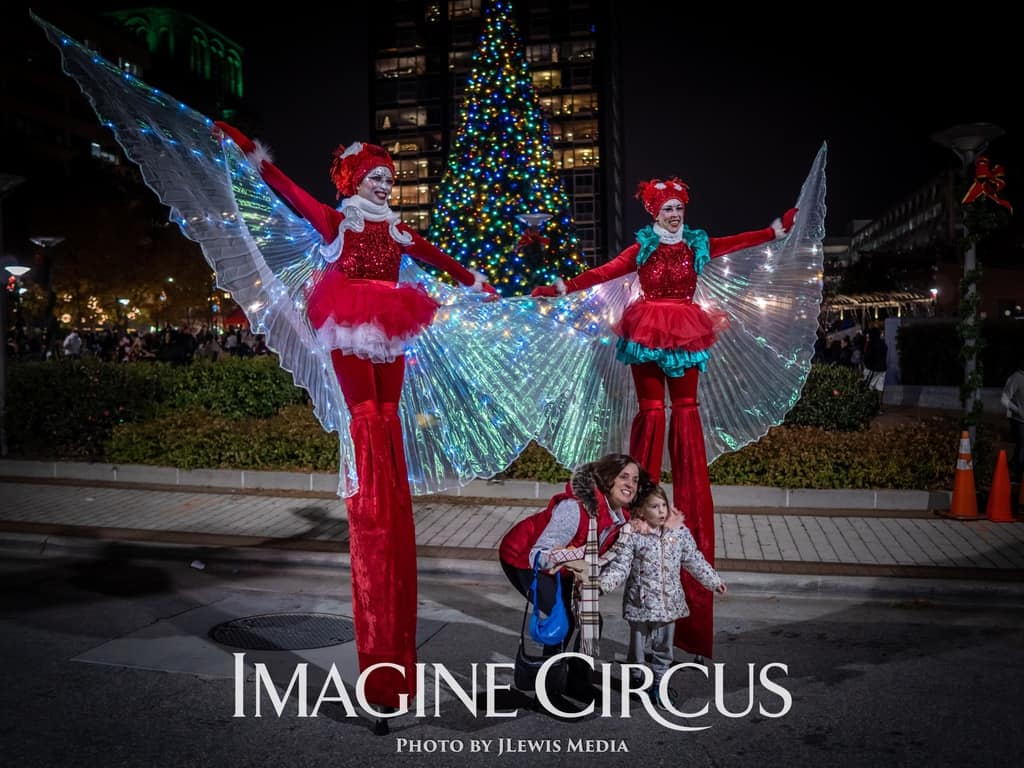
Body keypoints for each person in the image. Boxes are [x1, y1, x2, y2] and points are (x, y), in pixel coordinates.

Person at [214, 121, 496, 709]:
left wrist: (473, 280)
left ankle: (388, 476)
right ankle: (370, 482)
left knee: (389, 410)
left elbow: (437, 257)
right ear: (353, 181)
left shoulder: (397, 229)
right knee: (365, 410)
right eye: (376, 178)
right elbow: (285, 189)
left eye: (390, 179)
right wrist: (248, 151)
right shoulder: (336, 221)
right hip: (346, 317)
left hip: (391, 319)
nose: (386, 186)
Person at [531, 178, 794, 660]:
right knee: (652, 412)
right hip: (647, 327)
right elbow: (606, 271)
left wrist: (774, 231)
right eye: (667, 208)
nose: (674, 215)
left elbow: (735, 242)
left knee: (686, 413)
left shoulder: (696, 244)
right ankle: (638, 495)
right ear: (654, 212)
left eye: (679, 208)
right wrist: (562, 287)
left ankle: (687, 491)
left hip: (687, 325)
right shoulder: (643, 246)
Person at [499, 453, 652, 700]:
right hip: (523, 557)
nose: (630, 484)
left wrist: (595, 582)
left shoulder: (621, 521)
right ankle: (548, 692)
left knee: (592, 621)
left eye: (635, 480)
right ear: (608, 479)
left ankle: (577, 680)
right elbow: (539, 555)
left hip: (567, 568)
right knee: (564, 619)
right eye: (623, 477)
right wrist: (574, 560)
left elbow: (611, 562)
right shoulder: (575, 508)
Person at [598, 485, 726, 709]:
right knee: (637, 648)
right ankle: (636, 676)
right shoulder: (632, 534)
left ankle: (659, 682)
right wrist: (602, 584)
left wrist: (713, 581)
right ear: (641, 511)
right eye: (654, 507)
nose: (661, 511)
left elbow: (693, 559)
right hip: (640, 603)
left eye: (664, 505)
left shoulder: (679, 532)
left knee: (664, 648)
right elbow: (620, 566)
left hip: (668, 603)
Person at [1001, 360, 1024, 480]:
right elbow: (1004, 399)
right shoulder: (1016, 378)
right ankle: (1017, 475)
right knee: (1022, 445)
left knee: (1021, 446)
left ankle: (1010, 466)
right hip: (1018, 420)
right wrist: (1017, 410)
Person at [862, 326, 888, 413]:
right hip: (882, 369)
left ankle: (868, 407)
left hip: (872, 369)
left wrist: (866, 365)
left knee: (869, 387)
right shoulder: (883, 344)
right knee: (880, 388)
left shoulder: (871, 344)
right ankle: (879, 408)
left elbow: (867, 357)